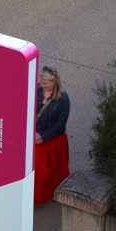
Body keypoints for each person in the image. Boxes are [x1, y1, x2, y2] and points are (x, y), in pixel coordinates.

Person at [34, 66, 70, 204]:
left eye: (47, 81)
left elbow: (60, 124)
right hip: (36, 136)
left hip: (52, 140)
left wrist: (43, 137)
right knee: (38, 170)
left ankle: (53, 193)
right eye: (42, 80)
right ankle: (37, 195)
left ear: (55, 81)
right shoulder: (37, 90)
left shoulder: (63, 99)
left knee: (51, 171)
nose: (43, 84)